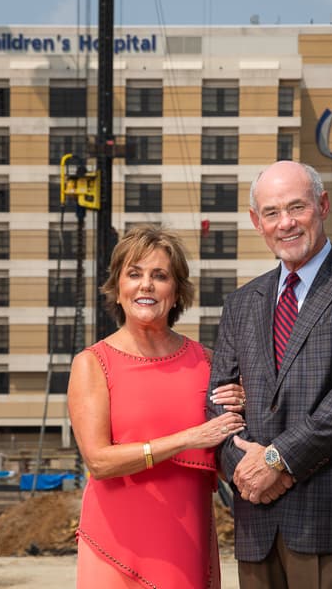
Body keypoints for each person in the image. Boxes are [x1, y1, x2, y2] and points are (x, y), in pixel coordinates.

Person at [207, 161, 332, 589]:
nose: (287, 223)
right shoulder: (240, 304)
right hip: (258, 522)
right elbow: (218, 400)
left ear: (323, 205)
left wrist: (277, 461)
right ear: (257, 222)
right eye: (273, 212)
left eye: (297, 207)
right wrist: (246, 470)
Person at [68, 224, 246, 588]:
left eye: (159, 275)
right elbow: (99, 462)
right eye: (134, 274)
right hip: (113, 548)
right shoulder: (92, 364)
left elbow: (228, 463)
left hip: (187, 547)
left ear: (176, 291)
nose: (145, 285)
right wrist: (188, 438)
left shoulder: (208, 364)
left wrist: (245, 411)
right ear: (117, 289)